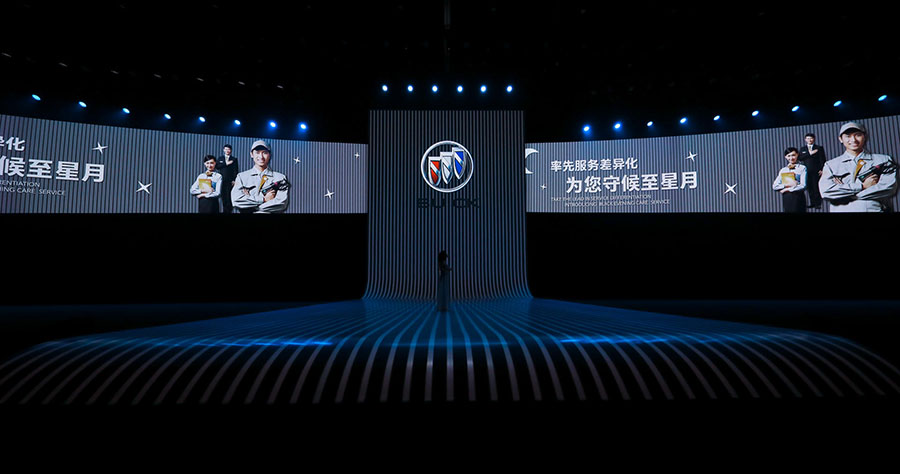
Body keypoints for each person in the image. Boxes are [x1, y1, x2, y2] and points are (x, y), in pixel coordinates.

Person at [819, 122, 897, 212]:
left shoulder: (884, 161)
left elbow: (888, 188)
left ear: (865, 137)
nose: (853, 140)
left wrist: (845, 196)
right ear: (840, 139)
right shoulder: (831, 165)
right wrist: (862, 186)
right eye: (848, 136)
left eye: (858, 135)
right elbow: (826, 192)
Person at [231, 140, 290, 213]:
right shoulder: (242, 177)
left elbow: (281, 204)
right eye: (257, 152)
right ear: (251, 154)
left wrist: (251, 207)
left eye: (264, 153)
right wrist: (263, 199)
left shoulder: (280, 178)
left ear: (269, 155)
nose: (261, 156)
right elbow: (236, 200)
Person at [772, 147, 807, 213]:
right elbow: (775, 186)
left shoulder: (802, 168)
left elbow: (803, 185)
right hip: (787, 197)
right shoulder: (783, 170)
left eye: (793, 155)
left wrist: (787, 189)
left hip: (798, 196)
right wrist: (787, 185)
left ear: (797, 155)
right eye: (789, 156)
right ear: (785, 157)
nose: (791, 158)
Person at [797, 133, 825, 208]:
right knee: (810, 188)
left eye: (811, 138)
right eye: (808, 138)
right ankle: (812, 203)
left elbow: (822, 159)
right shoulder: (803, 149)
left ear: (814, 139)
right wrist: (810, 153)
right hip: (806, 171)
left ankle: (818, 204)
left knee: (816, 187)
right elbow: (800, 158)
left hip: (816, 171)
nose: (809, 140)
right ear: (805, 139)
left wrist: (822, 169)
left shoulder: (819, 148)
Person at [215, 144, 240, 214]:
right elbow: (217, 166)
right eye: (226, 149)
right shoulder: (220, 158)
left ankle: (229, 211)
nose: (227, 150)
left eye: (228, 149)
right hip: (221, 180)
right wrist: (226, 164)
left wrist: (234, 180)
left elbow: (236, 170)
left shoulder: (234, 159)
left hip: (230, 181)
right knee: (223, 197)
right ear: (223, 150)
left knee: (229, 197)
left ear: (231, 150)